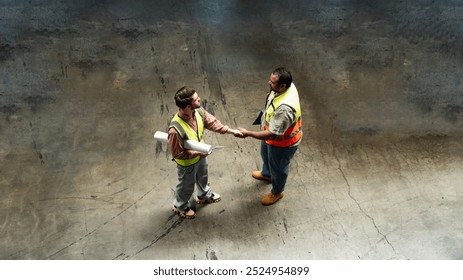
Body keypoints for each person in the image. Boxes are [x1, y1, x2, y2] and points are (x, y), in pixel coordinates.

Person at [168, 86, 242, 219]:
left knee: (203, 175)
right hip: (187, 163)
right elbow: (177, 154)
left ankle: (203, 195)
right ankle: (180, 205)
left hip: (201, 155)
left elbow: (212, 123)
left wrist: (231, 131)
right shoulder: (175, 130)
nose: (199, 99)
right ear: (188, 107)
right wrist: (196, 153)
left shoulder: (198, 112)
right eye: (196, 99)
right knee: (186, 185)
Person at [236, 67, 302, 206]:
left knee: (278, 167)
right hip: (271, 138)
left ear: (283, 86)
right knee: (266, 156)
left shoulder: (285, 109)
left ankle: (277, 192)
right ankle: (267, 174)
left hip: (283, 144)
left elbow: (273, 133)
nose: (268, 83)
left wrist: (248, 133)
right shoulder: (287, 87)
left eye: (272, 82)